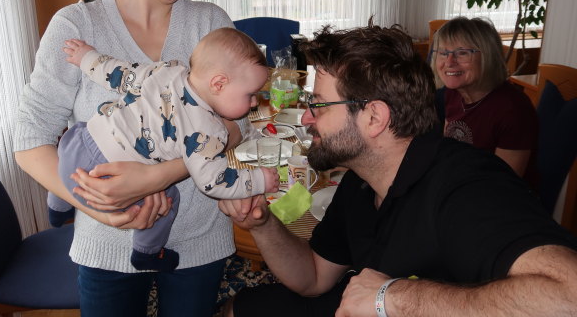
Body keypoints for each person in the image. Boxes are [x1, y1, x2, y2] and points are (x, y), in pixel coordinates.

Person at [219, 24, 577, 317]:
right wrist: (263, 225)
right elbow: (313, 278)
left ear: (374, 117)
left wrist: (395, 297)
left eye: (319, 105)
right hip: (367, 299)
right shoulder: (362, 179)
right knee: (241, 307)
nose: (307, 117)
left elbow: (569, 297)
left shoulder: (467, 186)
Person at [15, 0, 249, 317]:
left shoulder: (210, 23)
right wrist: (100, 209)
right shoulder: (78, 25)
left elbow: (240, 124)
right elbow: (30, 135)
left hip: (199, 240)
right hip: (107, 245)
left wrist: (158, 176)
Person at [48, 29, 277, 272]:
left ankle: (57, 205)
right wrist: (259, 179)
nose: (254, 103)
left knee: (84, 124)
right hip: (107, 177)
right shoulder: (209, 130)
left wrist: (86, 57)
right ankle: (146, 253)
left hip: (77, 145)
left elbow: (119, 74)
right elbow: (213, 181)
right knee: (169, 199)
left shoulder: (168, 70)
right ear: (218, 83)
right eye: (250, 95)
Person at [431, 16, 537, 177]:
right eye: (443, 53)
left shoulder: (513, 110)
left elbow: (504, 184)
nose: (449, 62)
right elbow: (448, 150)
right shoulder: (452, 93)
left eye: (462, 53)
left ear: (488, 56)